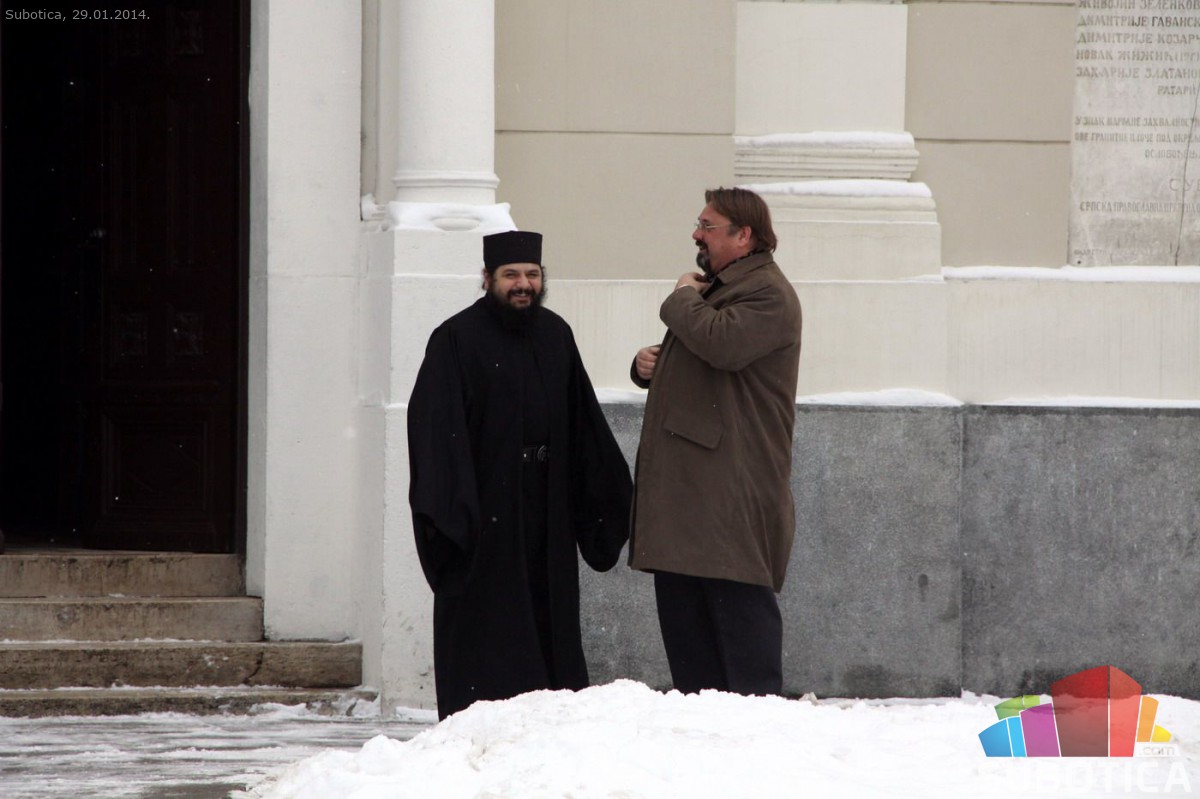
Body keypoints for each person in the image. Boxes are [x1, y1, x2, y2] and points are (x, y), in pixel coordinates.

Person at [408, 230, 633, 719]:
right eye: (511, 274)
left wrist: (604, 501)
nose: (523, 284)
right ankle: (483, 721)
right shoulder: (455, 339)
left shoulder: (556, 335)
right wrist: (453, 519)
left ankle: (548, 724)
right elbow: (435, 433)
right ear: (487, 278)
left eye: (532, 274)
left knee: (549, 616)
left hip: (548, 505)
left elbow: (583, 424)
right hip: (485, 509)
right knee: (490, 624)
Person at [629, 187, 802, 696]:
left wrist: (683, 295)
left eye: (707, 226)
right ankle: (699, 724)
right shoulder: (725, 288)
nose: (696, 234)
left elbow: (722, 344)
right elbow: (707, 356)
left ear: (743, 235)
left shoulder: (767, 293)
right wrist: (648, 365)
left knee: (740, 628)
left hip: (728, 490)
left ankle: (755, 726)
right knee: (691, 636)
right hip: (694, 491)